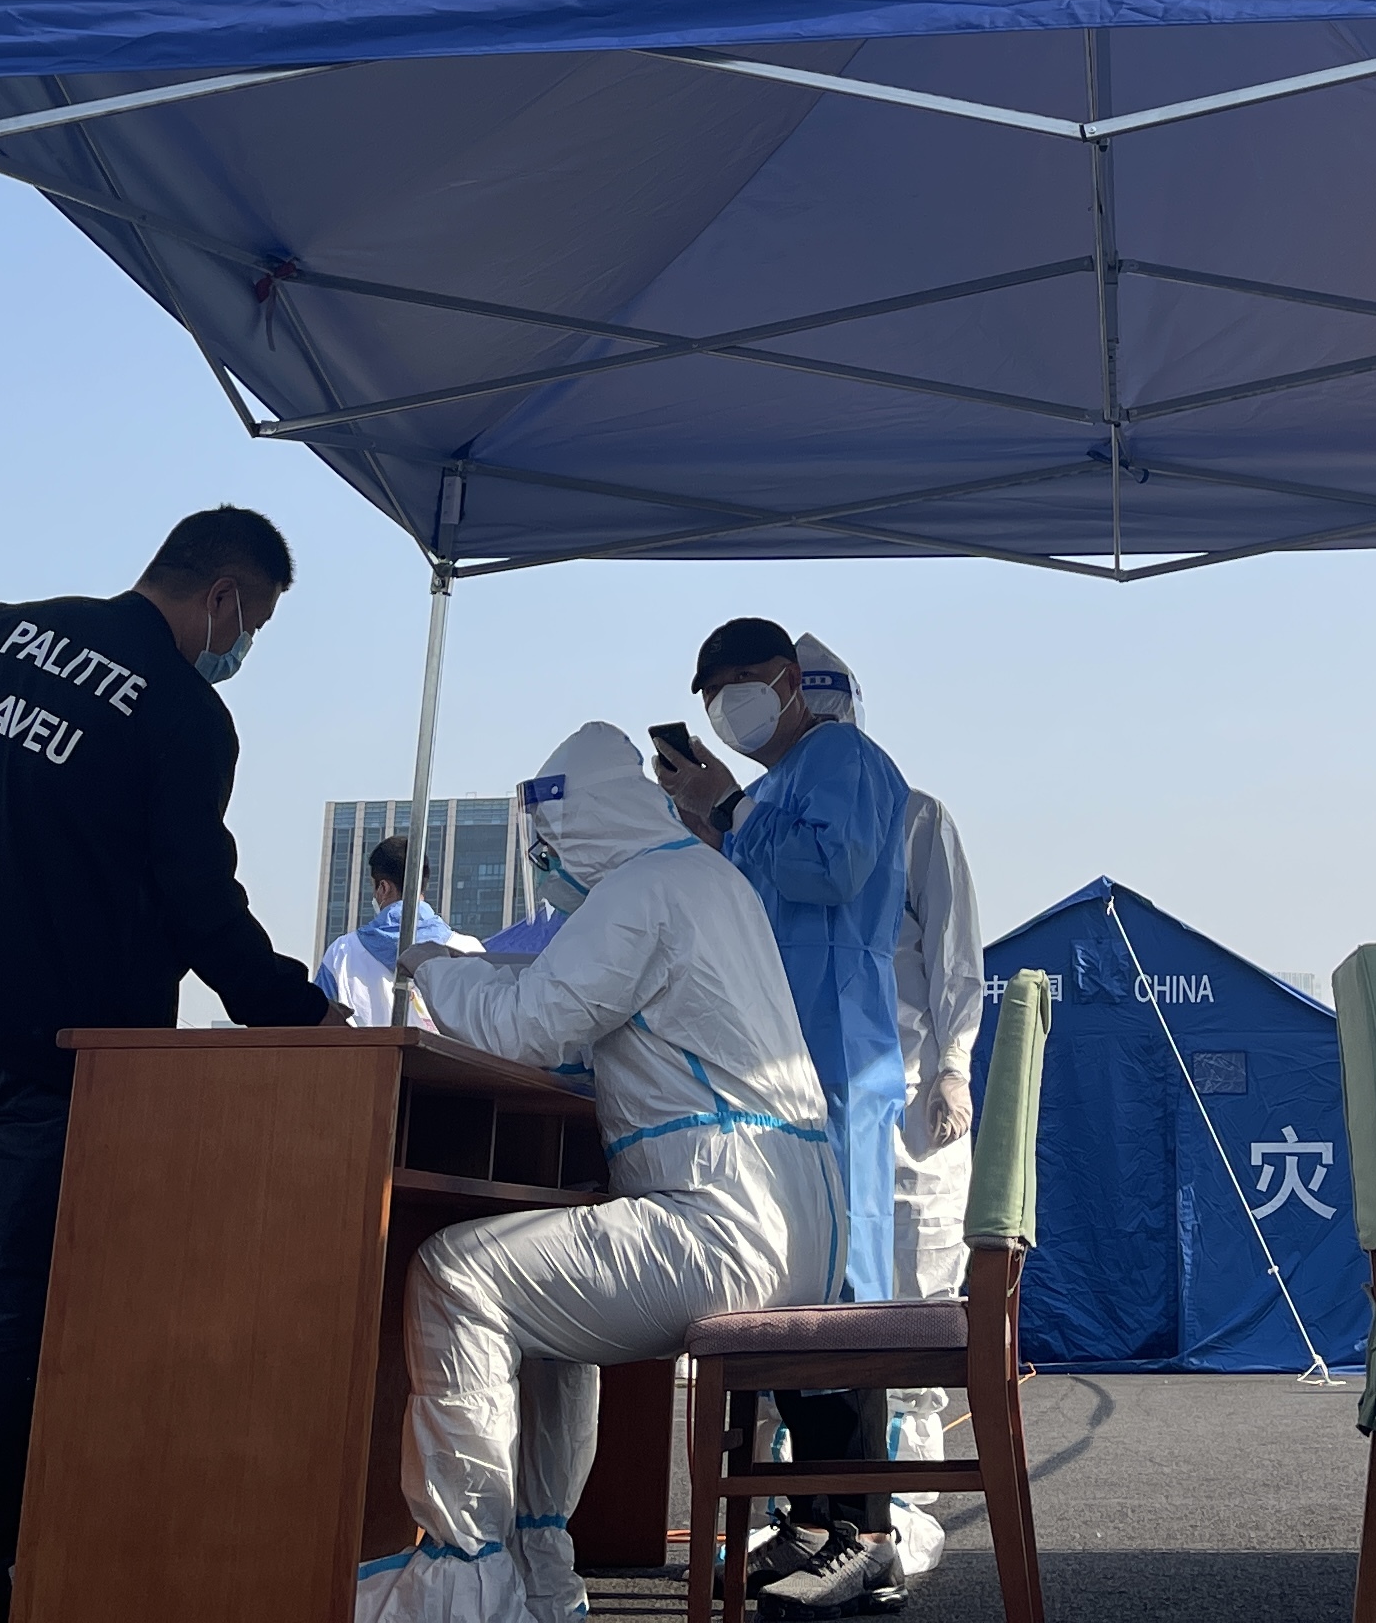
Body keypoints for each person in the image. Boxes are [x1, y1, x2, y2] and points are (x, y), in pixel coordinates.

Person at [0, 506, 335, 1623]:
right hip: (59, 1051)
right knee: (15, 1317)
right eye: (252, 625)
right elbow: (197, 897)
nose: (240, 649)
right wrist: (295, 1013)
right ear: (224, 598)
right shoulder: (186, 713)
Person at [374, 722, 841, 1623]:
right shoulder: (710, 881)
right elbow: (575, 994)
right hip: (793, 1235)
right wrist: (479, 971)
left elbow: (527, 1026)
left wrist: (434, 969)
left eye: (549, 849)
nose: (546, 869)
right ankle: (543, 1574)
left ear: (579, 829)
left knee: (455, 1275)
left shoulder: (641, 890)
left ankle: (465, 1580)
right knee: (544, 1303)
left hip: (720, 1235)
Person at [655, 618, 911, 1616]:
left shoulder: (840, 758)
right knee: (794, 1284)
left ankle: (869, 1534)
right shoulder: (774, 790)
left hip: (837, 1057)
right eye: (713, 693)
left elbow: (832, 869)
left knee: (841, 1294)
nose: (730, 706)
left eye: (740, 683)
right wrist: (709, 826)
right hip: (778, 1061)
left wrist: (732, 809)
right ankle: (811, 1520)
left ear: (789, 680)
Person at [795, 636, 981, 1583]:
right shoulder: (768, 820)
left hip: (901, 1096)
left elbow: (954, 958)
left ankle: (894, 1509)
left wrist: (953, 1068)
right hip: (806, 1100)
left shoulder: (915, 818)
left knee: (906, 1291)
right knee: (810, 1301)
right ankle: (815, 1506)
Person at [322, 833, 477, 1026]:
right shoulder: (469, 950)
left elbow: (316, 1024)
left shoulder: (342, 954)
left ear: (383, 888)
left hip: (364, 1047)